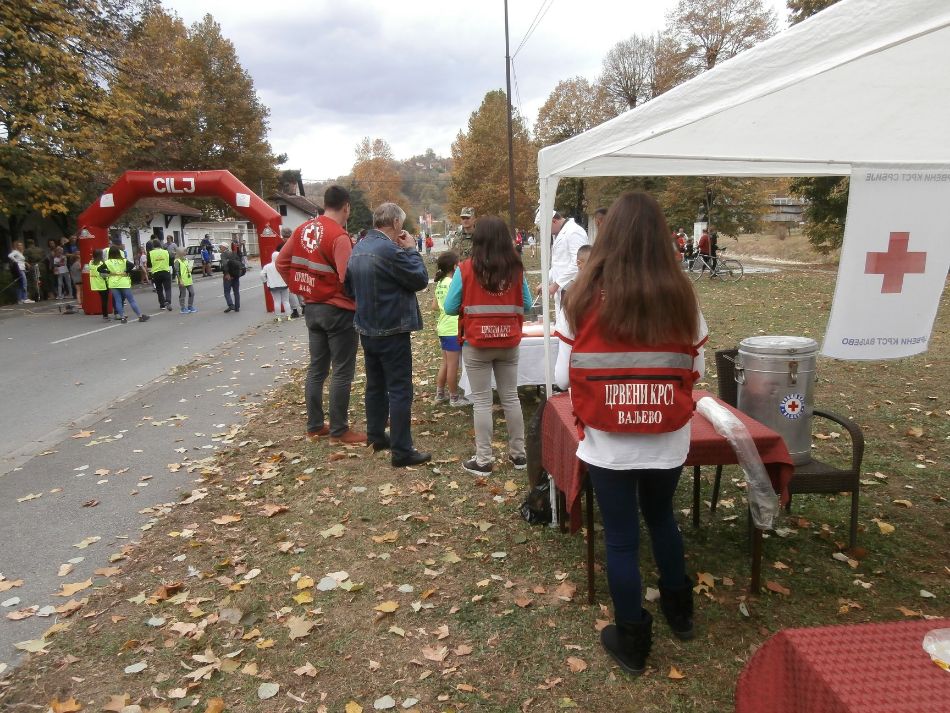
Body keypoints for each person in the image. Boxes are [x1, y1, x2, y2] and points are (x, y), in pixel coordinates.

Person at [554, 191, 707, 676]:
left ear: (606, 236)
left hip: (608, 440)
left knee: (621, 541)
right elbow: (696, 365)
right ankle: (680, 613)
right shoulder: (683, 296)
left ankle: (633, 640)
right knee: (661, 518)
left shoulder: (578, 297)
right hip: (667, 436)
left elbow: (561, 378)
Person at [344, 202, 430, 467]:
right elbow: (419, 279)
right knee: (400, 389)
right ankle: (402, 451)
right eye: (400, 223)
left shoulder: (358, 247)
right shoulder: (391, 250)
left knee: (376, 385)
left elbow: (348, 287)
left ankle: (376, 435)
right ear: (395, 224)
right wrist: (412, 250)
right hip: (392, 328)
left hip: (367, 327)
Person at [444, 217, 532, 475]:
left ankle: (483, 460)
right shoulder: (516, 269)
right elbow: (526, 304)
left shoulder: (465, 269)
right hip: (508, 342)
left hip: (477, 343)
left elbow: (450, 307)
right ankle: (519, 455)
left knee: (481, 401)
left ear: (478, 239)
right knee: (511, 397)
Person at [277, 186, 363, 443]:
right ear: (346, 207)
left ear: (325, 204)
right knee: (342, 371)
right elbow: (349, 278)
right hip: (338, 311)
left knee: (317, 369)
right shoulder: (340, 236)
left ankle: (315, 425)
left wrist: (303, 290)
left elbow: (282, 263)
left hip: (312, 309)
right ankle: (339, 430)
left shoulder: (303, 229)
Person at [431, 251, 470, 407]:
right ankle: (454, 398)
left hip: (443, 327)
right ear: (455, 266)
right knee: (453, 365)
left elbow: (434, 306)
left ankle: (440, 394)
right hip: (453, 328)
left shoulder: (440, 283)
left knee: (445, 363)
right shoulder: (452, 282)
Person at [547, 211, 590, 314]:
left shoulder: (574, 232)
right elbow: (558, 264)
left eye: (547, 229)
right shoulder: (558, 234)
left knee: (569, 325)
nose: (548, 233)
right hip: (563, 290)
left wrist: (556, 284)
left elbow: (579, 263)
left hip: (572, 289)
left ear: (554, 221)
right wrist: (546, 281)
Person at [101, 245, 149, 323]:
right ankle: (140, 316)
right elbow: (132, 266)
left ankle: (122, 317)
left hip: (113, 283)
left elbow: (99, 269)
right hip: (123, 282)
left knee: (118, 300)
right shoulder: (123, 260)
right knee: (131, 300)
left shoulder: (107, 262)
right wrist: (126, 272)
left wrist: (109, 272)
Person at [261, 242, 290, 320]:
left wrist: (265, 281)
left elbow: (262, 275)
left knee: (277, 301)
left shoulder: (267, 266)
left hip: (273, 286)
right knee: (286, 301)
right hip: (284, 285)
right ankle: (288, 316)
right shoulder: (283, 265)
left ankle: (278, 317)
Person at [148, 239, 173, 310]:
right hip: (165, 271)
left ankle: (162, 304)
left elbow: (149, 265)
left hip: (156, 273)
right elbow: (170, 262)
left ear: (153, 245)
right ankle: (168, 301)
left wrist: (150, 274)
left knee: (159, 289)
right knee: (167, 288)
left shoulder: (150, 253)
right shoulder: (166, 252)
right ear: (160, 245)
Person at [87, 248, 111, 320]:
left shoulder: (90, 262)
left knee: (102, 299)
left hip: (95, 284)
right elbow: (105, 274)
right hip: (103, 283)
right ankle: (105, 315)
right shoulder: (101, 263)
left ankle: (105, 315)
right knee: (104, 300)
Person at [220, 244, 243, 313]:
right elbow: (239, 263)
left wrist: (227, 274)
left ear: (224, 247)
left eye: (221, 247)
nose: (220, 248)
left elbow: (224, 264)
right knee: (236, 292)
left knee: (227, 292)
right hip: (236, 275)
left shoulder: (223, 254)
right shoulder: (233, 253)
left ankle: (230, 305)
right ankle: (237, 307)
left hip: (228, 276)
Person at [174, 247, 196, 313]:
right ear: (181, 252)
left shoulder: (186, 259)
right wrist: (180, 280)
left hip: (188, 279)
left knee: (192, 293)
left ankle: (190, 306)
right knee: (183, 294)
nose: (186, 253)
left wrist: (191, 266)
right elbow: (177, 272)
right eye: (185, 251)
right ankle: (183, 308)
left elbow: (188, 269)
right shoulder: (177, 261)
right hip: (182, 280)